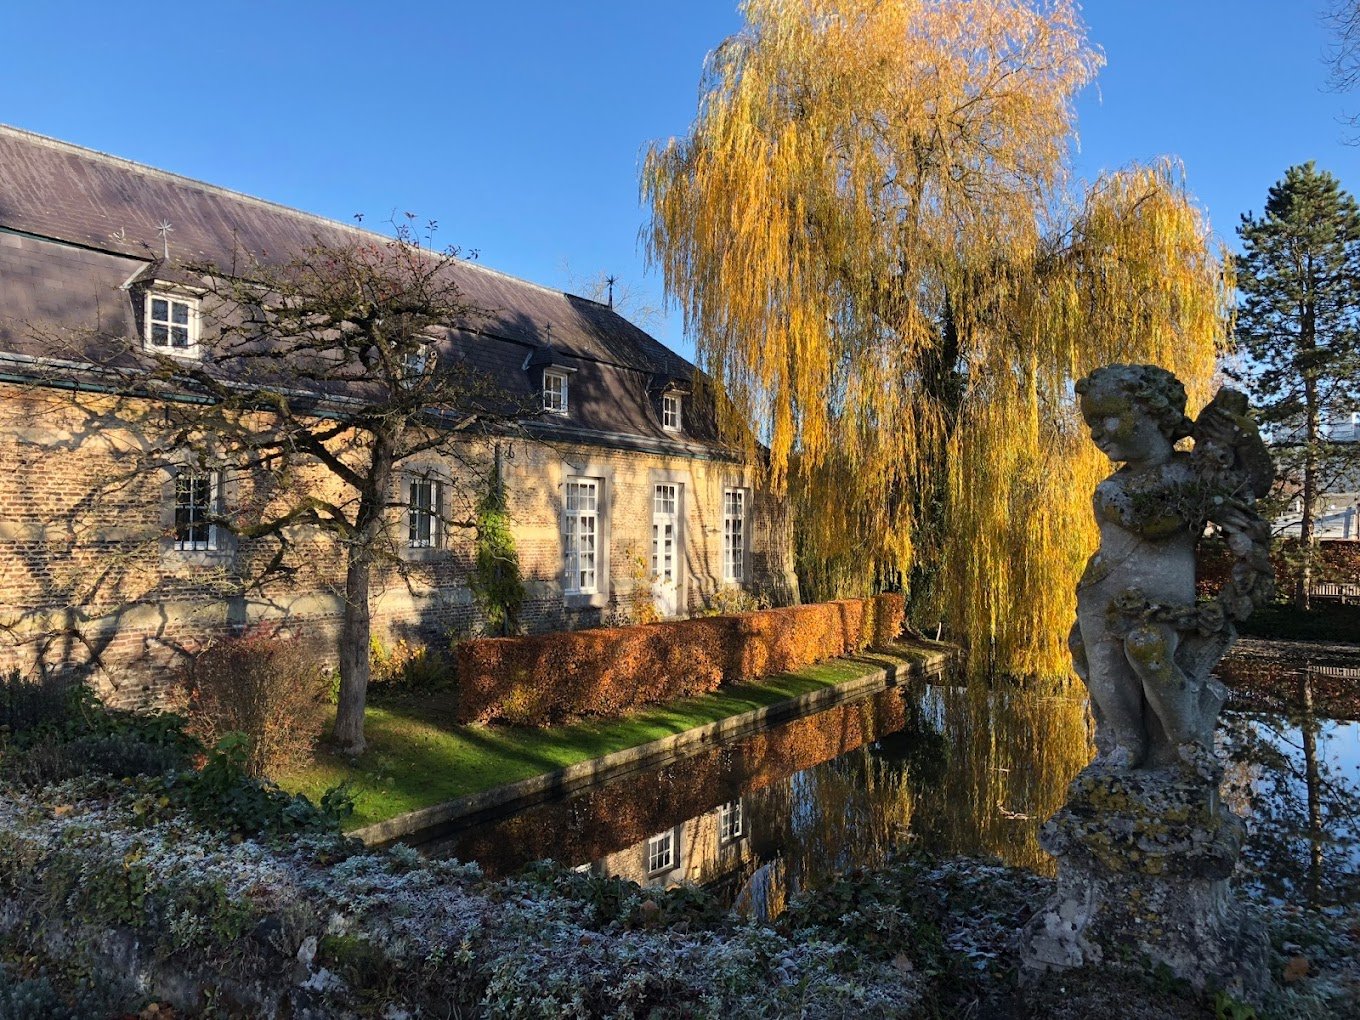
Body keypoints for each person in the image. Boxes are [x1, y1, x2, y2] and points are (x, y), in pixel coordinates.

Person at [1069, 364, 1206, 770]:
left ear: (1153, 413)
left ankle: (1185, 742)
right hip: (1101, 594)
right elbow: (1150, 520)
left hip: (1161, 601)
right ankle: (1126, 742)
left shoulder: (1189, 474)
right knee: (1106, 668)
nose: (1096, 432)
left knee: (1147, 651)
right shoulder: (1112, 488)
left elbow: (1162, 523)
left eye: (1106, 417)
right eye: (1091, 422)